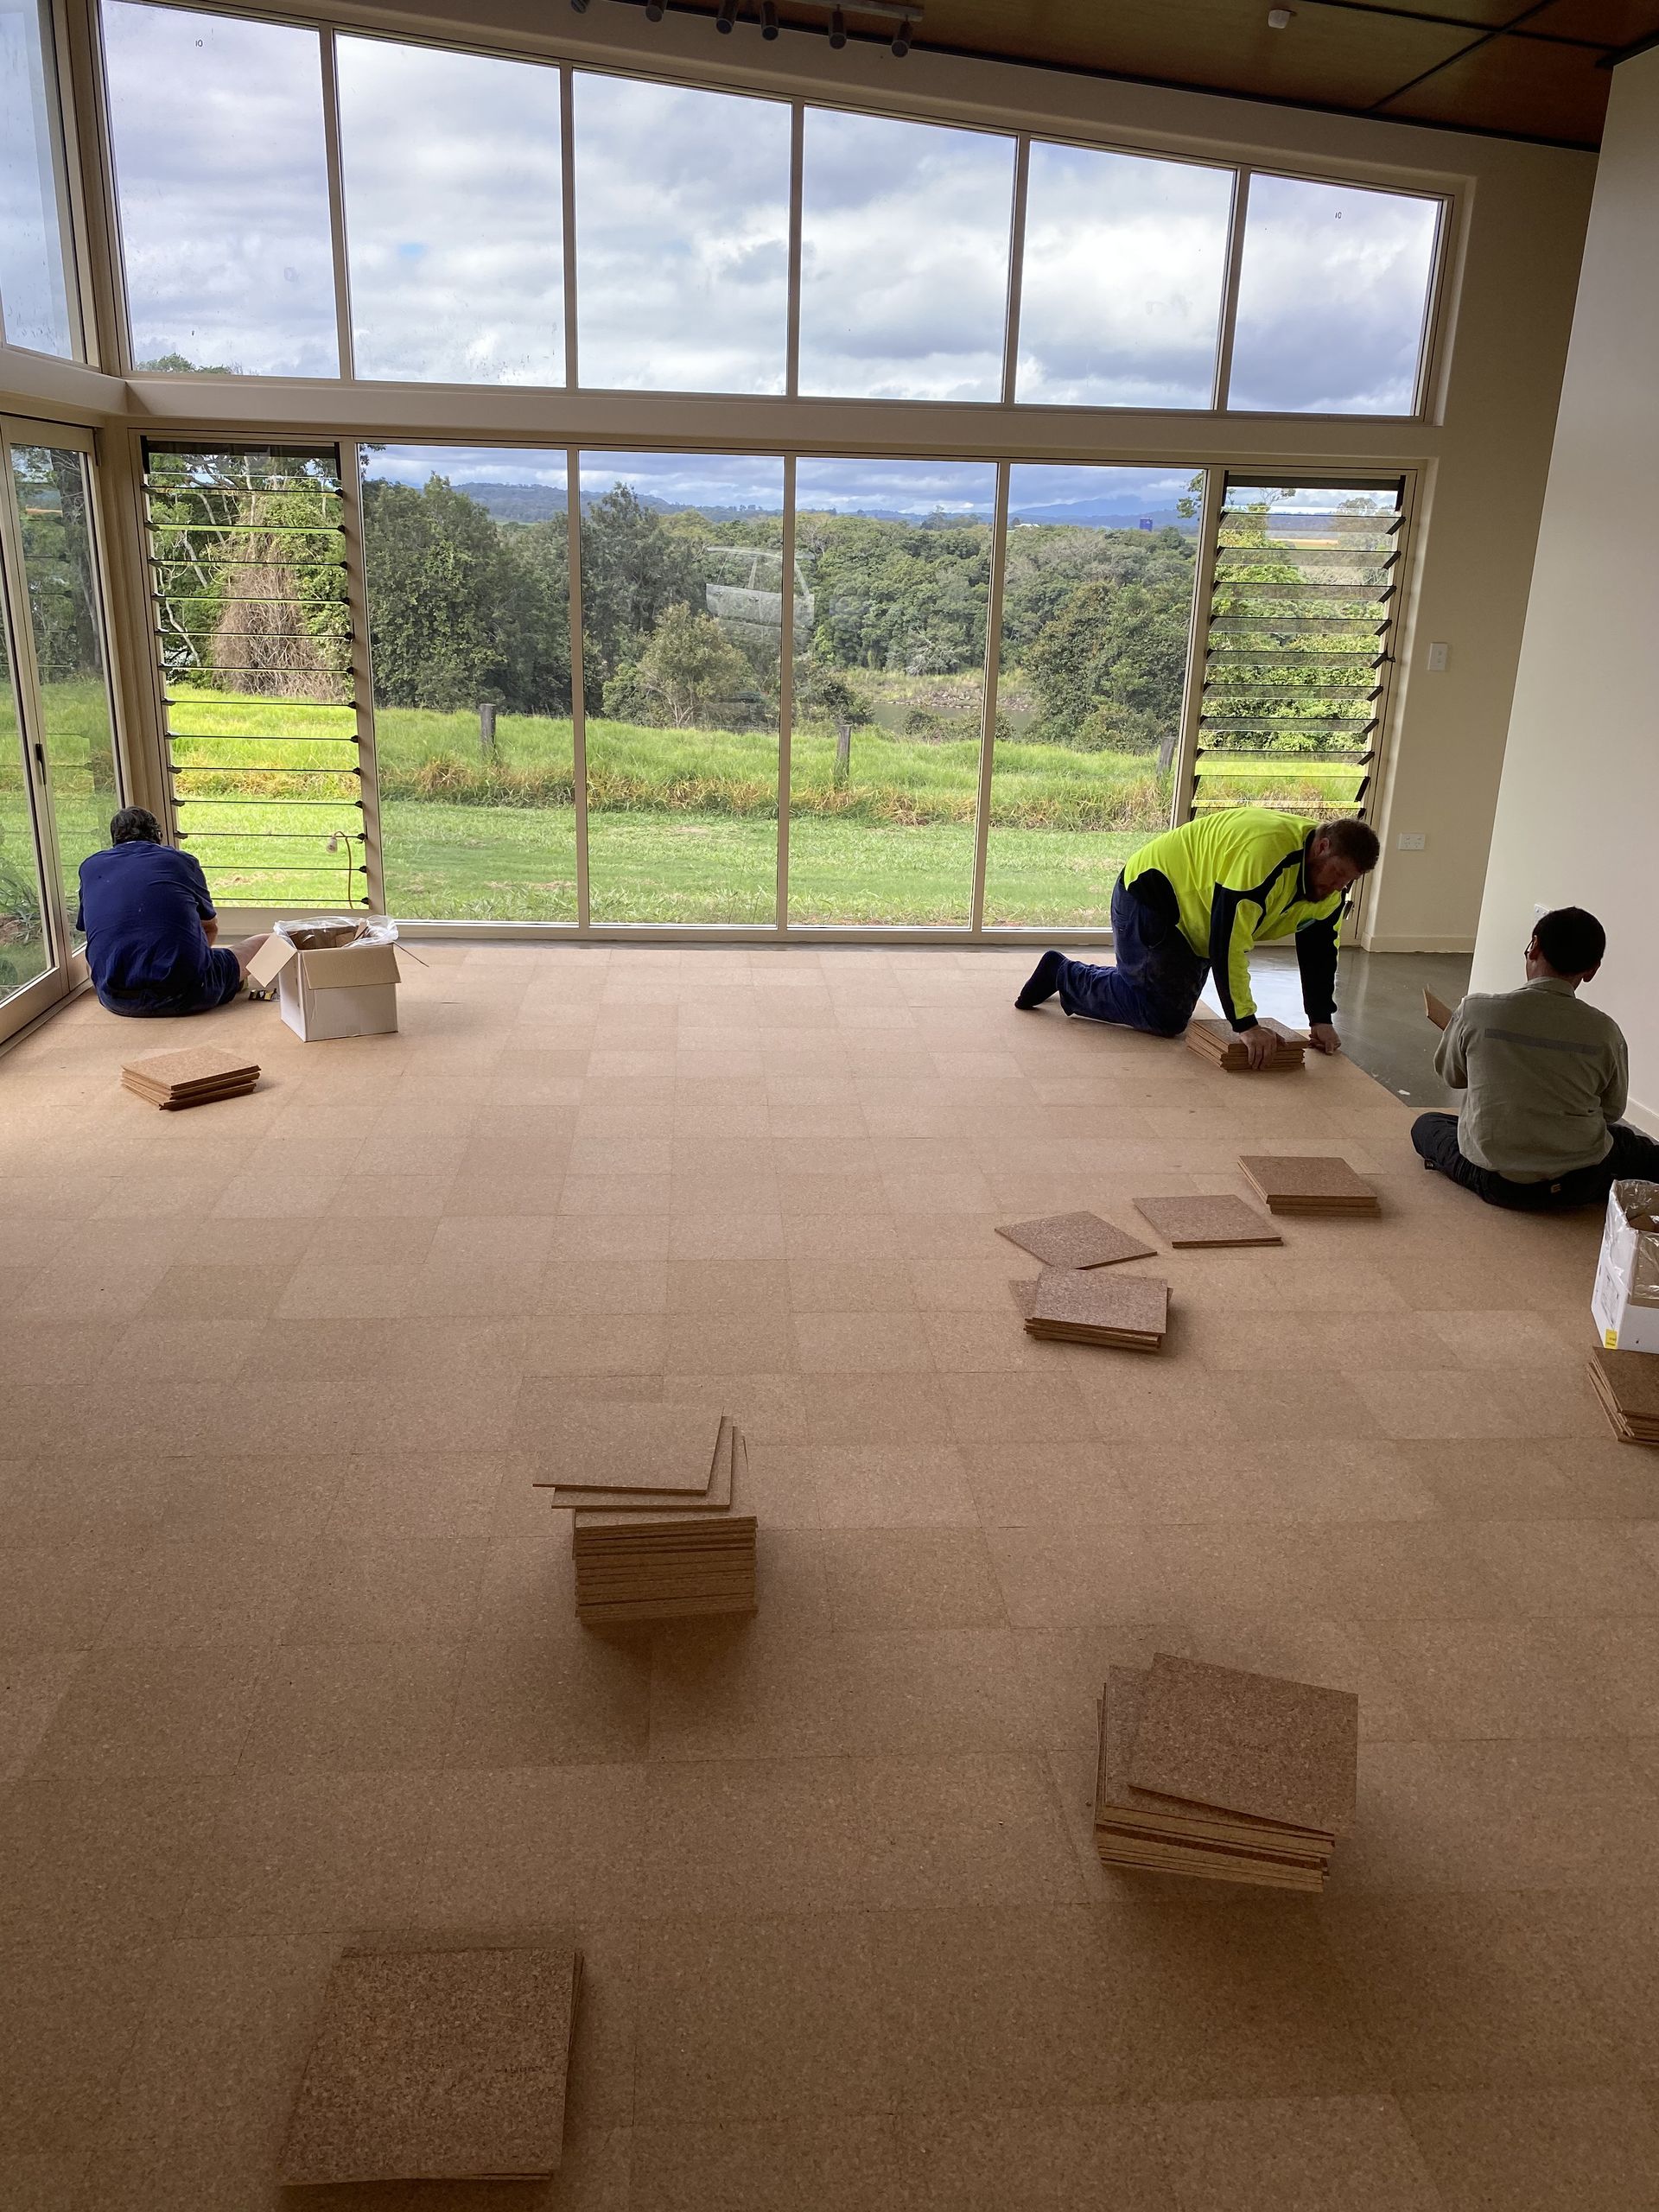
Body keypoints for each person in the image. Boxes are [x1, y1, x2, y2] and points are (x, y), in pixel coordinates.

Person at [1014, 807, 1381, 1068]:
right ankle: (1063, 974)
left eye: (1348, 881)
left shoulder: (1330, 891)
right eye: (1337, 874)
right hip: (1153, 898)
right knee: (1163, 1018)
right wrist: (1246, 1025)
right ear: (1322, 848)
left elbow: (1320, 953)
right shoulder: (1266, 854)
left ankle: (1102, 977)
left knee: (1164, 1007)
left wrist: (1320, 1018)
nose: (1338, 887)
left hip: (1198, 919)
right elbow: (1229, 944)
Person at [1411, 906, 1659, 1210]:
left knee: (1428, 1125)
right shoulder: (1605, 1031)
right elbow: (1611, 1110)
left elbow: (1453, 1077)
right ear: (1592, 970)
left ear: (1535, 946)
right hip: (1580, 1181)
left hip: (1498, 1183)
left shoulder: (1475, 1011)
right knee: (1626, 1143)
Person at [76, 807, 268, 1019]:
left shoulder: (90, 867)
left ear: (114, 840)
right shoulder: (180, 861)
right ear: (159, 835)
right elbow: (209, 926)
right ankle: (242, 984)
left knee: (97, 953)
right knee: (271, 942)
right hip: (189, 994)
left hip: (115, 999)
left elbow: (92, 930)